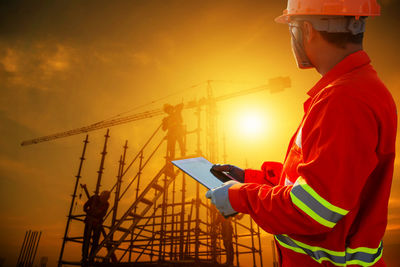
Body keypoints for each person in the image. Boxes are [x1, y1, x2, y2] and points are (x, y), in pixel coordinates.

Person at [206, 0, 397, 266]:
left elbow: (313, 211)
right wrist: (252, 179)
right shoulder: (359, 88)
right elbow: (324, 184)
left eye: (292, 28)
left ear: (306, 30)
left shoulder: (344, 100)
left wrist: (239, 196)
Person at [82, 190, 110, 265]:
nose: (104, 199)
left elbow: (103, 214)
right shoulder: (94, 198)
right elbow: (85, 207)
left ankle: (91, 257)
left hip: (97, 224)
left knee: (95, 242)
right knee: (86, 239)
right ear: (101, 195)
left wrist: (97, 215)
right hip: (89, 221)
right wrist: (90, 213)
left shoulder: (106, 204)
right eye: (104, 197)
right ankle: (84, 257)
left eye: (106, 198)